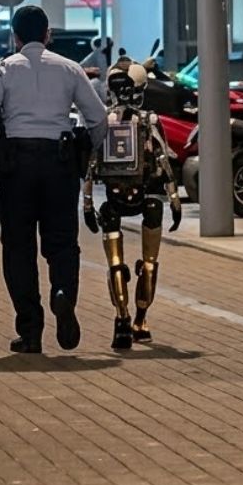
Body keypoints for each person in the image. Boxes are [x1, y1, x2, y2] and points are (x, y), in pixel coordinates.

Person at [0, 5, 108, 354]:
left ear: (14, 37)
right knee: (62, 242)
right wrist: (88, 153)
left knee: (18, 247)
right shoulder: (70, 68)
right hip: (59, 162)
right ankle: (62, 292)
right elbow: (98, 117)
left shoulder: (3, 69)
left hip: (15, 166)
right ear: (48, 34)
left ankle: (30, 331)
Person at [82, 60, 181, 349]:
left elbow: (90, 164)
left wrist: (87, 203)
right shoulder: (149, 120)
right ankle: (140, 319)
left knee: (115, 264)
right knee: (149, 263)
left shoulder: (103, 121)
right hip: (146, 198)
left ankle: (122, 318)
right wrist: (174, 198)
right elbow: (162, 157)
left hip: (112, 200)